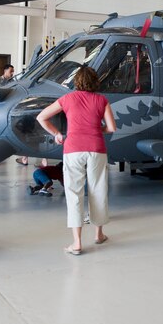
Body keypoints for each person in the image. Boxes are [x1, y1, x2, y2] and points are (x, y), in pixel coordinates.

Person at [36, 66, 117, 255]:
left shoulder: (67, 99)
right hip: (96, 148)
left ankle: (77, 242)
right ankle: (99, 234)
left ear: (77, 81)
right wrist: (97, 130)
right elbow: (112, 127)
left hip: (73, 148)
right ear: (95, 81)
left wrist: (57, 133)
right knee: (98, 189)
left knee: (74, 192)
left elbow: (41, 117)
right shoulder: (101, 100)